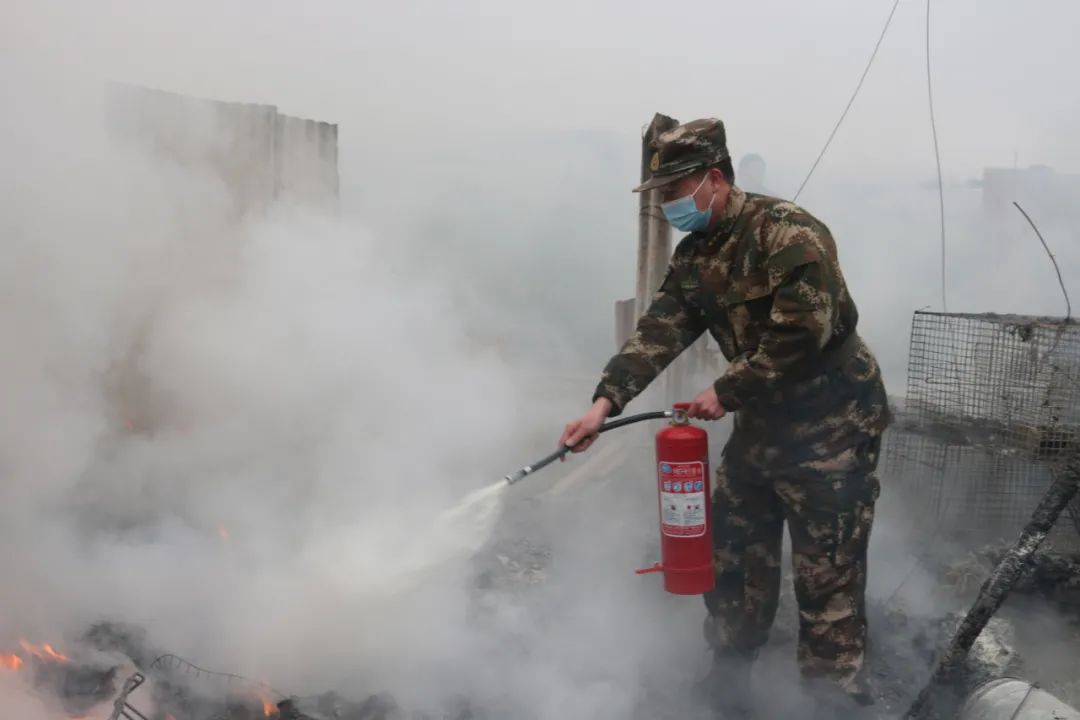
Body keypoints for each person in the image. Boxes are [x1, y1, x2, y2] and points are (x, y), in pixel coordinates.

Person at [559, 118, 891, 716]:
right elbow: (659, 332)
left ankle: (831, 695)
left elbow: (802, 334)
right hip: (763, 425)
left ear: (714, 179)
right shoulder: (697, 256)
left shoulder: (790, 235)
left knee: (827, 569)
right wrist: (603, 405)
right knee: (734, 547)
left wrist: (726, 390)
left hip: (833, 424)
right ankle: (732, 675)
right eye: (660, 195)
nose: (667, 205)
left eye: (674, 192)